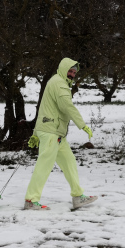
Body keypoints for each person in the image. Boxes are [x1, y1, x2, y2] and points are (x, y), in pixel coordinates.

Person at [24, 57, 97, 210]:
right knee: (44, 166)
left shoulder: (57, 82)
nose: (72, 74)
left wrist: (36, 133)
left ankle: (78, 196)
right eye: (70, 71)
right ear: (63, 69)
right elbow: (67, 107)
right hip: (51, 132)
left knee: (69, 162)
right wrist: (82, 125)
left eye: (74, 72)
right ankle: (31, 200)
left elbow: (44, 108)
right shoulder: (59, 84)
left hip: (55, 133)